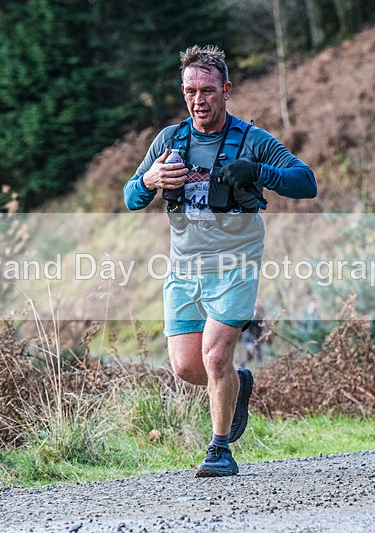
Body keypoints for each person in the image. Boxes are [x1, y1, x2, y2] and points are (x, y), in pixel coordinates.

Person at [123, 45, 316, 477]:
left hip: (236, 266)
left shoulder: (251, 140)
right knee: (187, 367)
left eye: (207, 90)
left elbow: (306, 183)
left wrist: (258, 172)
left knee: (214, 359)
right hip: (183, 267)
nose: (198, 100)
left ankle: (220, 449)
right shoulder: (169, 141)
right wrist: (150, 179)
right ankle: (239, 383)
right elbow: (130, 197)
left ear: (226, 90)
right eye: (190, 91)